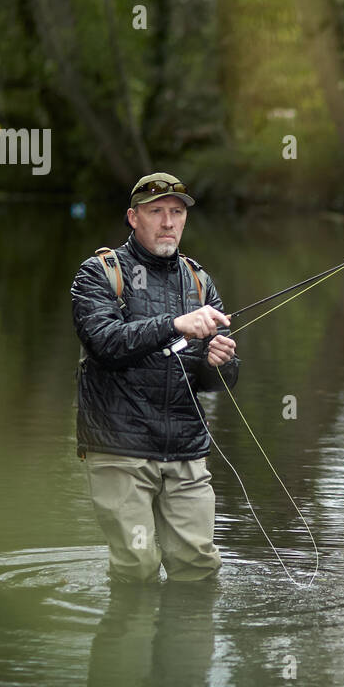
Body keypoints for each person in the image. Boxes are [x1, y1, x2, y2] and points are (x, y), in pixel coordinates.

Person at [70, 172, 239, 583]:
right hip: (120, 447)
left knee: (198, 567)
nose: (168, 222)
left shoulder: (199, 281)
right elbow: (106, 343)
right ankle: (130, 624)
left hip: (185, 449)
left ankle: (187, 627)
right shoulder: (100, 273)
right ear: (133, 218)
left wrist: (222, 362)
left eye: (176, 213)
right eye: (156, 211)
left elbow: (216, 382)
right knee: (138, 567)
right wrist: (175, 324)